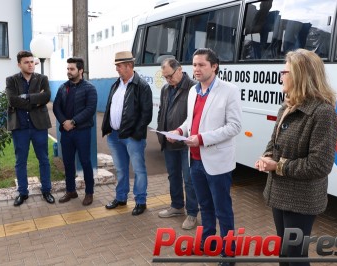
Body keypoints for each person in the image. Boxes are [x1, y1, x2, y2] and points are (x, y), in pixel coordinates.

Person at [255, 49, 337, 266]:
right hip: (279, 193)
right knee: (285, 254)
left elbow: (320, 165)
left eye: (286, 71)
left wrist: (279, 166)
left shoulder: (323, 113)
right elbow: (274, 141)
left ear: (301, 75)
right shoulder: (288, 104)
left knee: (296, 257)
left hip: (301, 200)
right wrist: (266, 157)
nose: (281, 75)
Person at [170, 48, 242, 265]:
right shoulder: (193, 91)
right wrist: (180, 131)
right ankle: (208, 242)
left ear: (214, 66)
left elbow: (234, 126)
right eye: (194, 65)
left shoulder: (229, 91)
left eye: (201, 65)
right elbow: (190, 121)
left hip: (217, 161)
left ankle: (228, 254)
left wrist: (201, 138)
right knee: (204, 205)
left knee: (223, 209)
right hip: (195, 159)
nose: (196, 69)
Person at [102, 51, 153, 216]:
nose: (117, 69)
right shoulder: (116, 84)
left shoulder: (142, 86)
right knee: (121, 169)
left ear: (129, 66)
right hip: (115, 136)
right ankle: (121, 197)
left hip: (132, 137)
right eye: (116, 66)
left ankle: (140, 201)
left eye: (119, 66)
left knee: (139, 170)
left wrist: (135, 134)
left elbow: (146, 114)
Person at [5, 50, 55, 206]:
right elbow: (12, 100)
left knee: (44, 159)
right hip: (20, 127)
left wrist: (26, 97)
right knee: (21, 161)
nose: (30, 64)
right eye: (26, 62)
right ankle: (23, 193)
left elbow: (46, 96)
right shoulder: (11, 80)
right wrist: (36, 100)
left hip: (39, 126)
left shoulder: (42, 79)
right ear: (19, 64)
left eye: (32, 61)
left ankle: (46, 190)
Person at [156, 58, 199, 230]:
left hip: (186, 143)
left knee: (189, 179)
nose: (168, 80)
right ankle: (176, 206)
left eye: (170, 76)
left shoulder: (193, 88)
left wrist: (182, 133)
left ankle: (192, 213)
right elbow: (162, 111)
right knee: (173, 176)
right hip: (169, 141)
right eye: (165, 77)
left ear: (180, 69)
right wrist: (162, 132)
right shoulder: (166, 89)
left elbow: (195, 117)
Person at [53, 57, 98, 206]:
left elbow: (90, 109)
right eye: (68, 69)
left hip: (82, 132)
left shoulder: (89, 88)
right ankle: (71, 191)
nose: (69, 72)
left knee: (85, 162)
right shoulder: (63, 88)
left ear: (80, 70)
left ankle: (89, 193)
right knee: (68, 162)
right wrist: (64, 122)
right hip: (66, 133)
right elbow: (56, 107)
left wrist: (73, 122)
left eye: (72, 69)